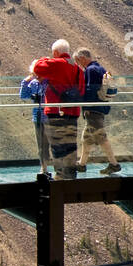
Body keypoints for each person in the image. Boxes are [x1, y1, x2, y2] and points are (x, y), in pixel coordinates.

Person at [31, 39, 86, 180]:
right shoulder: (78, 68)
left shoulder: (56, 63)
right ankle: (70, 174)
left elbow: (37, 67)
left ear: (56, 52)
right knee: (70, 144)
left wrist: (45, 59)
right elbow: (81, 89)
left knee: (57, 144)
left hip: (56, 111)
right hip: (73, 112)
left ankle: (60, 176)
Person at [73, 47, 121, 175]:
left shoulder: (90, 70)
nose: (78, 64)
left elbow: (90, 90)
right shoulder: (100, 68)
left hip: (93, 109)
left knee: (101, 136)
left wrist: (77, 97)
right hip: (101, 106)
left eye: (77, 60)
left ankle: (114, 164)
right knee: (87, 137)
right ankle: (82, 164)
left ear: (82, 58)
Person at [19, 72, 52, 175]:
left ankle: (57, 166)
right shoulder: (34, 83)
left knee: (51, 143)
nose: (36, 75)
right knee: (41, 144)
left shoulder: (50, 82)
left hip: (50, 117)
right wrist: (26, 81)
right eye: (34, 72)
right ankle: (44, 168)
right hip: (37, 117)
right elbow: (23, 95)